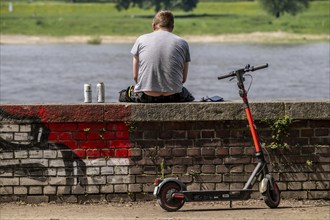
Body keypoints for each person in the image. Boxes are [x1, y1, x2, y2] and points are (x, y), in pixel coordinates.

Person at [119, 10, 194, 103]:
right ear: (172, 27)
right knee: (188, 95)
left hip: (147, 96)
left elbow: (135, 76)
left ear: (153, 26)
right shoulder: (183, 43)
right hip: (174, 96)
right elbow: (183, 79)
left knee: (124, 94)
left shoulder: (141, 40)